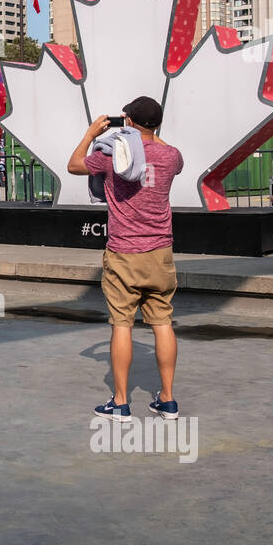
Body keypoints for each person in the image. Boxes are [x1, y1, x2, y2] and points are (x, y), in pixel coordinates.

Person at [67, 96, 183, 424]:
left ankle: (120, 403)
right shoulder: (172, 157)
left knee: (122, 324)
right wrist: (149, 132)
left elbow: (74, 165)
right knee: (162, 323)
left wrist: (92, 134)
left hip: (124, 253)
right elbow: (166, 150)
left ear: (128, 121)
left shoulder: (112, 155)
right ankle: (168, 400)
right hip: (160, 251)